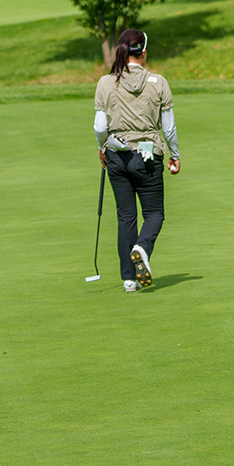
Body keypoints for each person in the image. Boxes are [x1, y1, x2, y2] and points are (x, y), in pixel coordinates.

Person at [93, 28, 181, 292]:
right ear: (143, 52)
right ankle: (142, 248)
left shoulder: (105, 82)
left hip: (116, 155)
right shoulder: (159, 82)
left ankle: (129, 280)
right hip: (147, 154)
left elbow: (100, 127)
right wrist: (175, 154)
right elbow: (168, 128)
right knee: (154, 213)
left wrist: (101, 147)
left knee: (126, 216)